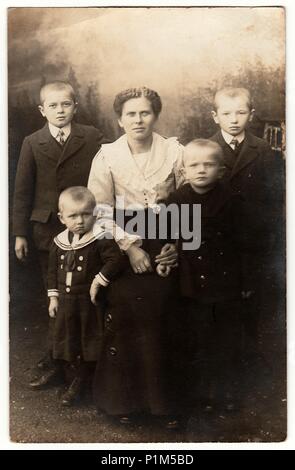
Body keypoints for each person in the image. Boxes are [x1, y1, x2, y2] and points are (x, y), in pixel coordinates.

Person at [88, 86, 184, 428]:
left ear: (155, 116)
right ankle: (121, 401)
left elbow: (188, 201)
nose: (138, 119)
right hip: (120, 241)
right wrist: (130, 247)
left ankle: (166, 404)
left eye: (145, 112)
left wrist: (176, 246)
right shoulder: (107, 155)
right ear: (119, 119)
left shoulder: (174, 151)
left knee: (165, 307)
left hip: (167, 238)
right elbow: (98, 211)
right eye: (131, 114)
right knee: (127, 305)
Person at [12, 81, 105, 389]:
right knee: (55, 297)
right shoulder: (33, 141)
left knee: (82, 297)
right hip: (47, 230)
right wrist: (20, 233)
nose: (60, 110)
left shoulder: (91, 136)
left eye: (65, 104)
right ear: (42, 110)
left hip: (84, 228)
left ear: (75, 106)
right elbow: (23, 191)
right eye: (53, 106)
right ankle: (56, 359)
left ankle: (84, 365)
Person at [162, 139, 257, 412]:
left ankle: (226, 394)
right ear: (184, 170)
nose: (201, 170)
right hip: (190, 283)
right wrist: (168, 251)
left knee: (225, 340)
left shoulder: (232, 201)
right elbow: (167, 237)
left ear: (221, 169)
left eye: (209, 164)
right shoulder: (177, 200)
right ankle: (198, 395)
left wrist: (247, 281)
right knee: (196, 338)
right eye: (194, 165)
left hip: (224, 283)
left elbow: (246, 245)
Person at [209, 87, 284, 366]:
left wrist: (270, 234)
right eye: (226, 113)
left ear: (251, 115)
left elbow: (274, 197)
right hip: (218, 237)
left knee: (251, 294)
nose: (233, 119)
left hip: (253, 236)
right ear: (215, 116)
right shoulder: (207, 148)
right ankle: (222, 358)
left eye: (241, 112)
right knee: (221, 296)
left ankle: (249, 355)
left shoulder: (263, 149)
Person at [47, 186, 125, 406]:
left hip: (88, 303)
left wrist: (99, 279)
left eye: (85, 214)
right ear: (62, 218)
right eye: (73, 216)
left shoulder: (100, 238)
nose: (80, 221)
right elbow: (52, 271)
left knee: (89, 339)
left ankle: (85, 381)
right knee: (66, 337)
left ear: (95, 213)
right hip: (65, 301)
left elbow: (116, 260)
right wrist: (53, 297)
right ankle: (69, 376)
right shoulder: (59, 242)